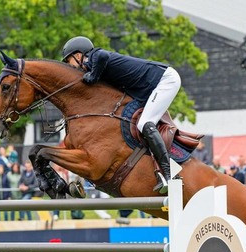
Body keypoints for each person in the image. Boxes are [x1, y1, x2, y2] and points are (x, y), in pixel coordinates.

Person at [62, 36, 181, 194]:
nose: (70, 67)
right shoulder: (96, 64)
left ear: (78, 56)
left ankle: (169, 175)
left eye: (69, 61)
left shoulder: (94, 57)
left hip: (165, 80)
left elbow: (102, 57)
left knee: (144, 123)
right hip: (149, 88)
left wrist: (92, 76)